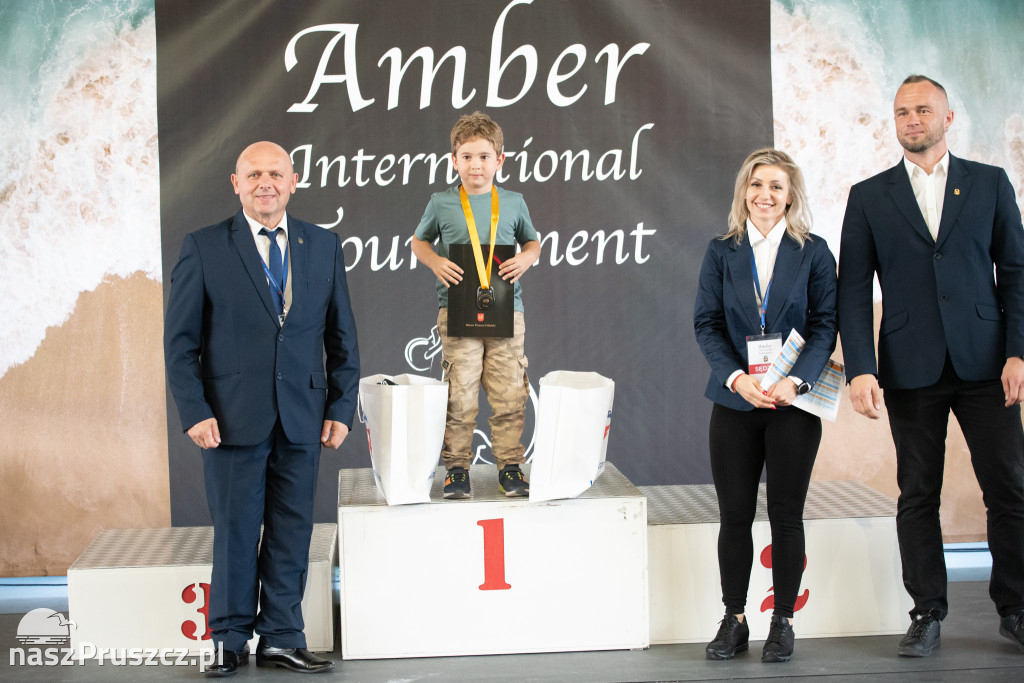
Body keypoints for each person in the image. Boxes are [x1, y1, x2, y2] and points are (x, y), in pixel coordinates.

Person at [837, 74, 1024, 657]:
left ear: (948, 118)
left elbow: (1016, 274)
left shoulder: (991, 184)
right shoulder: (868, 195)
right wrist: (861, 368)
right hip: (909, 365)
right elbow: (850, 290)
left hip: (987, 364)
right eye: (901, 112)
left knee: (1011, 490)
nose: (912, 119)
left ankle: (1016, 608)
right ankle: (927, 613)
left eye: (923, 109)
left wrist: (1018, 351)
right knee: (918, 493)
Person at [164, 141, 360, 676]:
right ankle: (228, 638)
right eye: (254, 174)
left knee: (292, 529)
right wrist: (194, 410)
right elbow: (180, 344)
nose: (265, 183)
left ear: (293, 181)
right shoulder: (204, 247)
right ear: (235, 183)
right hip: (227, 420)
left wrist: (341, 406)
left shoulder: (322, 245)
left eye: (275, 173)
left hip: (303, 416)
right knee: (235, 528)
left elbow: (342, 336)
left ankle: (281, 636)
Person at [693, 148, 837, 663]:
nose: (765, 196)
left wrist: (794, 383)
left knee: (786, 516)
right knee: (734, 515)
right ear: (744, 192)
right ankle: (734, 620)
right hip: (734, 403)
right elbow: (706, 324)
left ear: (790, 195)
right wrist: (735, 378)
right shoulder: (721, 250)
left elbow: (825, 325)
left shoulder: (815, 251)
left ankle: (783, 622)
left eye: (776, 186)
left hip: (792, 406)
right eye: (757, 185)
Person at [411, 111, 541, 499]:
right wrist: (434, 261)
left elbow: (533, 242)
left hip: (506, 311)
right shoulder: (442, 202)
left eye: (484, 156)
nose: (475, 165)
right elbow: (418, 242)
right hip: (458, 312)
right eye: (466, 156)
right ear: (453, 160)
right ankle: (456, 468)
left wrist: (527, 258)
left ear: (500, 160)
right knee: (459, 393)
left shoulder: (514, 203)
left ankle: (510, 466)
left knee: (509, 393)